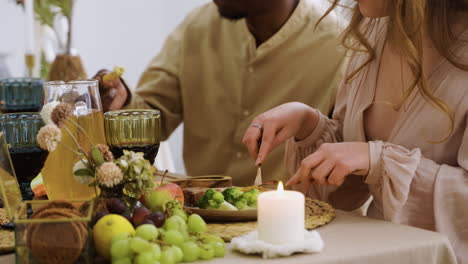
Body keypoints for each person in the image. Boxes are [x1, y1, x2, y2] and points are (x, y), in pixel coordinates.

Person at [243, 0, 468, 262]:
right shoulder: (374, 30)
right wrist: (308, 124)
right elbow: (351, 182)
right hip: (380, 252)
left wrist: (380, 161)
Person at [95, 0, 347, 186]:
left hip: (303, 229)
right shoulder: (197, 26)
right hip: (200, 218)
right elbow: (153, 118)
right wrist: (122, 99)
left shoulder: (341, 44)